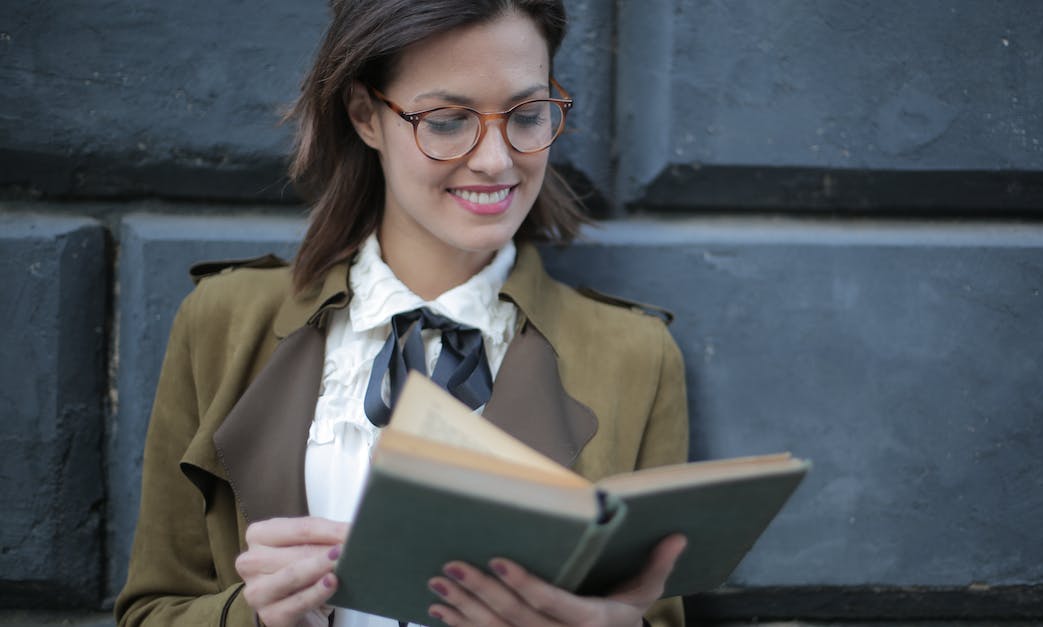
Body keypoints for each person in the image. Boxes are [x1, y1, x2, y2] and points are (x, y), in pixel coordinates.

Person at [114, 1, 689, 626]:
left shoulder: (634, 353)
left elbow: (653, 611)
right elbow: (153, 609)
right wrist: (251, 615)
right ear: (366, 115)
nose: (496, 160)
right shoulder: (223, 322)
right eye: (447, 121)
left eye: (526, 115)